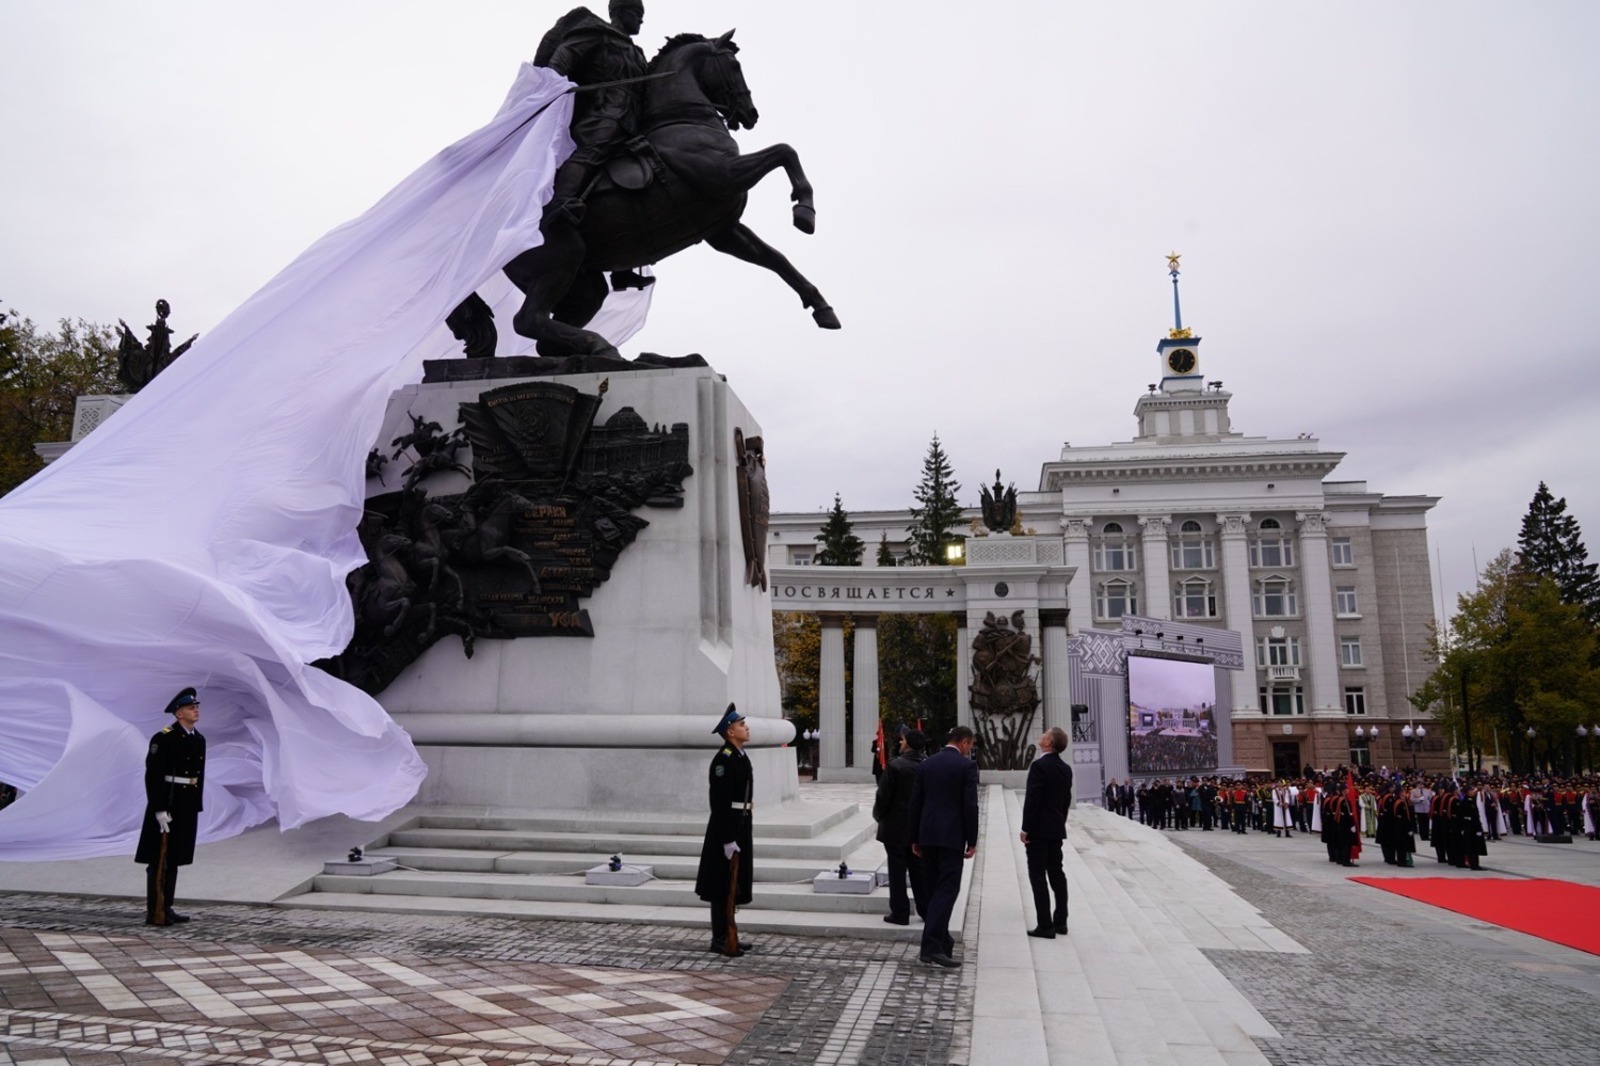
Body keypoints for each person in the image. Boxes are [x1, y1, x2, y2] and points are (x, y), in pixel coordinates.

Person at [134, 687, 206, 926]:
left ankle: (167, 906)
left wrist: (196, 806)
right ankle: (154, 909)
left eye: (196, 707)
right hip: (168, 802)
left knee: (174, 858)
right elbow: (153, 776)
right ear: (178, 714)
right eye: (190, 708)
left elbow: (199, 776)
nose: (195, 710)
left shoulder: (198, 739)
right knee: (159, 858)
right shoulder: (164, 738)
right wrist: (159, 809)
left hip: (185, 805)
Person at [909, 725, 979, 968]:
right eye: (970, 745)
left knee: (934, 890)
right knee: (947, 890)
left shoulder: (926, 764)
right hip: (951, 837)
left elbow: (916, 802)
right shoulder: (966, 767)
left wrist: (915, 837)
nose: (970, 750)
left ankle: (942, 940)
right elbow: (970, 806)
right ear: (963, 742)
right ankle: (930, 947)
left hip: (927, 835)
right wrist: (973, 840)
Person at [694, 704, 754, 956]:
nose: (746, 727)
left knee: (733, 882)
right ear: (730, 732)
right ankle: (720, 938)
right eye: (741, 725)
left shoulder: (740, 756)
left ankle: (730, 933)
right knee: (721, 885)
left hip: (741, 822)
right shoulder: (724, 759)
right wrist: (728, 838)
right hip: (726, 827)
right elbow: (719, 802)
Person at [1019, 726, 1073, 939]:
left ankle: (1045, 925)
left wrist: (1025, 828)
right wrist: (1060, 821)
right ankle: (1061, 922)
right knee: (1057, 874)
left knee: (1038, 875)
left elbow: (1033, 799)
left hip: (1039, 831)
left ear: (1049, 743)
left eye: (1045, 735)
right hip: (1056, 829)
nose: (1041, 736)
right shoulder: (1066, 768)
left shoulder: (1039, 766)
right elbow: (1066, 800)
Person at [873, 728, 927, 926]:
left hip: (895, 827)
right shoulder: (927, 766)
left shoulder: (896, 766)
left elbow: (883, 797)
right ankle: (926, 909)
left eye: (903, 740)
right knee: (919, 870)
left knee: (897, 871)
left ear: (908, 744)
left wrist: (878, 815)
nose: (901, 743)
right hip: (918, 827)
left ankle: (900, 912)